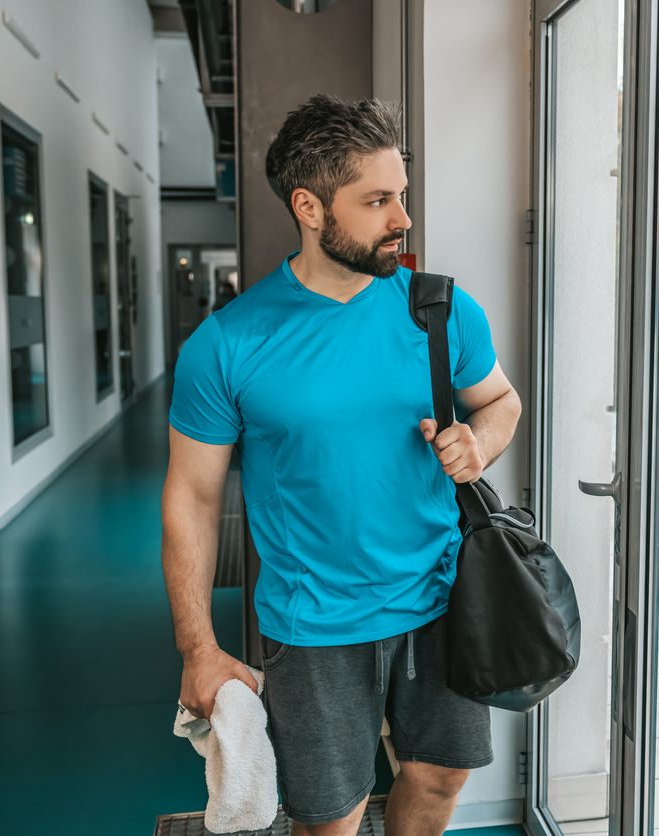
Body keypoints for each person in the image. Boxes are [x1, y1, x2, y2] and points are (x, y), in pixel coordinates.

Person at [161, 94, 522, 836]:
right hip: (314, 623)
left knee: (441, 775)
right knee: (330, 817)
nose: (403, 219)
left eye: (402, 195)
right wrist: (198, 648)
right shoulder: (227, 344)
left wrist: (479, 442)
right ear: (310, 206)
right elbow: (192, 500)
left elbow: (500, 402)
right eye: (378, 200)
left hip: (443, 599)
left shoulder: (441, 310)